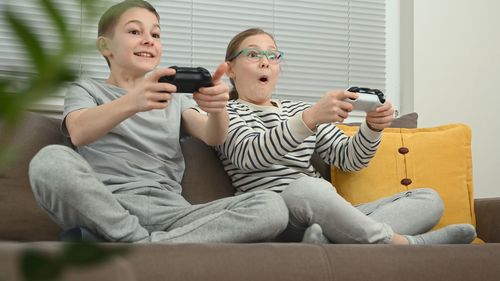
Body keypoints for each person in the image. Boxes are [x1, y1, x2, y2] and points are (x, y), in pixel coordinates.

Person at [28, 1, 289, 243]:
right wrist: (134, 101)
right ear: (105, 46)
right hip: (107, 208)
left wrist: (218, 109)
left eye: (155, 35)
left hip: (173, 213)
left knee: (271, 207)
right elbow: (79, 132)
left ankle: (139, 245)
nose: (148, 41)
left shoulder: (173, 99)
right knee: (49, 160)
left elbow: (213, 136)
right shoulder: (86, 89)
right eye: (134, 32)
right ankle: (144, 242)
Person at [215, 27, 477, 245]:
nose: (265, 62)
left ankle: (330, 242)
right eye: (253, 54)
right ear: (230, 70)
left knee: (428, 198)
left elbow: (349, 160)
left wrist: (371, 129)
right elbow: (248, 156)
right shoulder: (222, 111)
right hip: (281, 216)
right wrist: (310, 119)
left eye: (272, 56)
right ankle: (405, 243)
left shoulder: (299, 109)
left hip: (330, 213)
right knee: (307, 187)